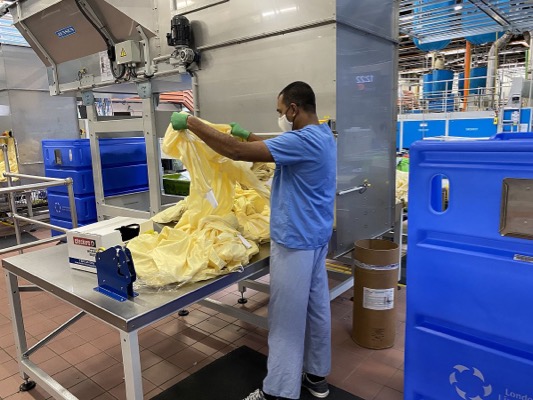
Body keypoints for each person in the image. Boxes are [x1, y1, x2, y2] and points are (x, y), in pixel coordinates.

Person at [171, 81, 337, 400]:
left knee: (285, 319)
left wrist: (192, 122)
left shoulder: (303, 140)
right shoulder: (322, 135)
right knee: (316, 309)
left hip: (296, 241)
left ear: (293, 109)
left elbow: (235, 152)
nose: (279, 117)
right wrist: (247, 134)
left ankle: (278, 390)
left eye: (280, 112)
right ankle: (317, 377)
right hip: (316, 238)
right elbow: (269, 151)